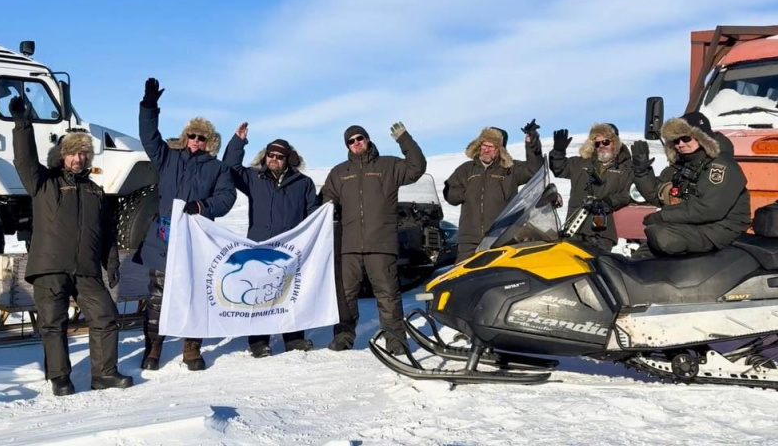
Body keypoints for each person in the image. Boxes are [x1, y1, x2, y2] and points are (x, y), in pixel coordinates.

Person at [10, 96, 132, 396]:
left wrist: (112, 261)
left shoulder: (95, 191)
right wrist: (21, 123)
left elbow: (106, 232)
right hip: (50, 266)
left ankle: (104, 373)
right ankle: (59, 377)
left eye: (83, 154)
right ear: (62, 156)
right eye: (73, 153)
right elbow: (24, 160)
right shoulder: (43, 182)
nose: (78, 159)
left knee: (105, 316)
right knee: (53, 323)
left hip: (86, 269)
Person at [136, 78, 236, 371]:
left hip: (197, 239)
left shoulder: (216, 168)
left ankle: (191, 347)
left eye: (201, 137)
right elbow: (148, 135)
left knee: (195, 293)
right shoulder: (168, 157)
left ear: (209, 142)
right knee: (158, 296)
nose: (195, 140)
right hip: (165, 237)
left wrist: (202, 206)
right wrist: (149, 106)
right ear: (185, 136)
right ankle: (153, 346)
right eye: (192, 135)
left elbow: (227, 197)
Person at [320, 122, 426, 354]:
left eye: (360, 138)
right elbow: (327, 196)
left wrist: (404, 139)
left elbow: (417, 167)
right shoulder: (339, 172)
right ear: (347, 145)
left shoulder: (388, 165)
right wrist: (328, 205)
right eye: (351, 140)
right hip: (349, 245)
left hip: (381, 243)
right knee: (346, 295)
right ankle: (343, 337)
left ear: (367, 139)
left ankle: (395, 341)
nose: (356, 143)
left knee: (387, 294)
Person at [223, 122, 319, 358]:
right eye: (270, 155)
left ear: (288, 159)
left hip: (291, 250)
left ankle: (294, 338)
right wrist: (238, 141)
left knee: (291, 294)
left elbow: (313, 214)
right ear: (265, 157)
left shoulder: (302, 183)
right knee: (260, 294)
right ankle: (258, 341)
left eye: (279, 156)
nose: (274, 159)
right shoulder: (253, 177)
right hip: (259, 246)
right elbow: (229, 168)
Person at [631, 111, 750, 255]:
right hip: (691, 226)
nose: (680, 144)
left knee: (662, 236)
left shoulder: (721, 166)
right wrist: (642, 171)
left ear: (703, 138)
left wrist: (663, 216)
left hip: (718, 230)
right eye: (676, 141)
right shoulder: (683, 165)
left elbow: (708, 209)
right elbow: (657, 194)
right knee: (641, 256)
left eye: (686, 138)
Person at [444, 121, 543, 263]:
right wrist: (465, 195)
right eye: (484, 145)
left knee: (500, 277)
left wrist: (532, 144)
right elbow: (450, 194)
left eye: (491, 146)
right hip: (470, 240)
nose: (486, 149)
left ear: (500, 150)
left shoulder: (510, 169)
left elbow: (534, 171)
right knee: (464, 278)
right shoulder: (466, 169)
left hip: (501, 237)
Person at [549, 123, 633, 251]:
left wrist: (606, 203)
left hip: (602, 232)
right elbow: (559, 168)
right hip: (574, 229)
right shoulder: (580, 163)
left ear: (615, 142)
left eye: (605, 142)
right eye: (597, 143)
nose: (601, 146)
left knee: (598, 267)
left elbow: (627, 195)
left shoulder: (625, 169)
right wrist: (558, 152)